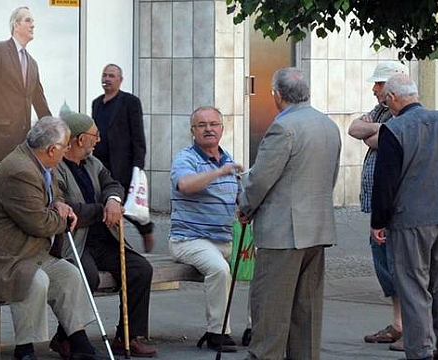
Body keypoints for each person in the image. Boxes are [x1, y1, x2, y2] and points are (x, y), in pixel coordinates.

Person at [0, 116, 108, 360]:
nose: (67, 151)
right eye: (65, 147)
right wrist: (67, 220)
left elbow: (55, 193)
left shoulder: (40, 163)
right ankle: (25, 349)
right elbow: (39, 222)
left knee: (69, 275)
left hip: (26, 251)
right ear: (51, 149)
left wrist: (60, 204)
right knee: (34, 281)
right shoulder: (20, 171)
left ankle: (80, 344)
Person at [370, 74, 438, 360]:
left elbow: (386, 183)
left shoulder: (394, 130)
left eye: (385, 99)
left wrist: (377, 222)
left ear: (393, 98)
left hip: (410, 220)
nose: (384, 103)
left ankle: (421, 350)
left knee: (413, 285)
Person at [237, 67, 342, 360]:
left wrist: (245, 205)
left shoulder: (283, 128)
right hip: (317, 228)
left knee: (270, 310)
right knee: (306, 312)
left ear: (277, 96)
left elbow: (261, 180)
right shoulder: (328, 125)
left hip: (283, 232)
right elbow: (330, 177)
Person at [53, 112, 158, 358]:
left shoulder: (93, 163)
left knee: (140, 269)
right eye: (94, 135)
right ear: (79, 140)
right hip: (75, 242)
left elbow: (112, 183)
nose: (98, 140)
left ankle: (127, 336)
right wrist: (103, 209)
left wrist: (113, 199)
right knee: (85, 276)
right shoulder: (56, 168)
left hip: (104, 239)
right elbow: (70, 209)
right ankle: (65, 337)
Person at [169, 106, 243, 352]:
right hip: (190, 239)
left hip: (225, 238)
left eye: (213, 124)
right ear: (193, 131)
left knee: (264, 265)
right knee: (219, 270)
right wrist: (218, 172)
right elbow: (185, 184)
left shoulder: (228, 159)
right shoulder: (185, 158)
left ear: (222, 128)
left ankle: (258, 329)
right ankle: (217, 333)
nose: (209, 129)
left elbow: (242, 197)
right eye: (202, 125)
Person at [347, 61, 407, 352]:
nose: (374, 89)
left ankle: (413, 327)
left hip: (396, 207)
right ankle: (398, 324)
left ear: (394, 86)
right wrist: (380, 129)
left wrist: (377, 135)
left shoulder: (408, 117)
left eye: (379, 84)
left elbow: (379, 140)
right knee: (385, 265)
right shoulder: (383, 112)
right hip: (378, 205)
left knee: (403, 268)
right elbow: (355, 128)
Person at [92, 64, 154, 253]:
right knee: (106, 204)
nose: (107, 79)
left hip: (124, 165)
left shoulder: (130, 102)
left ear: (120, 79)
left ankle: (147, 237)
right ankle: (116, 246)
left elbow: (138, 135)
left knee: (131, 207)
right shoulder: (97, 103)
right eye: (105, 75)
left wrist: (138, 165)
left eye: (112, 75)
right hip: (101, 165)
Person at [0, 6, 51, 163]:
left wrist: (55, 131)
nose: (33, 25)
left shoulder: (33, 64)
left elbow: (40, 103)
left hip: (25, 144)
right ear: (16, 25)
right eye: (28, 20)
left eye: (33, 21)